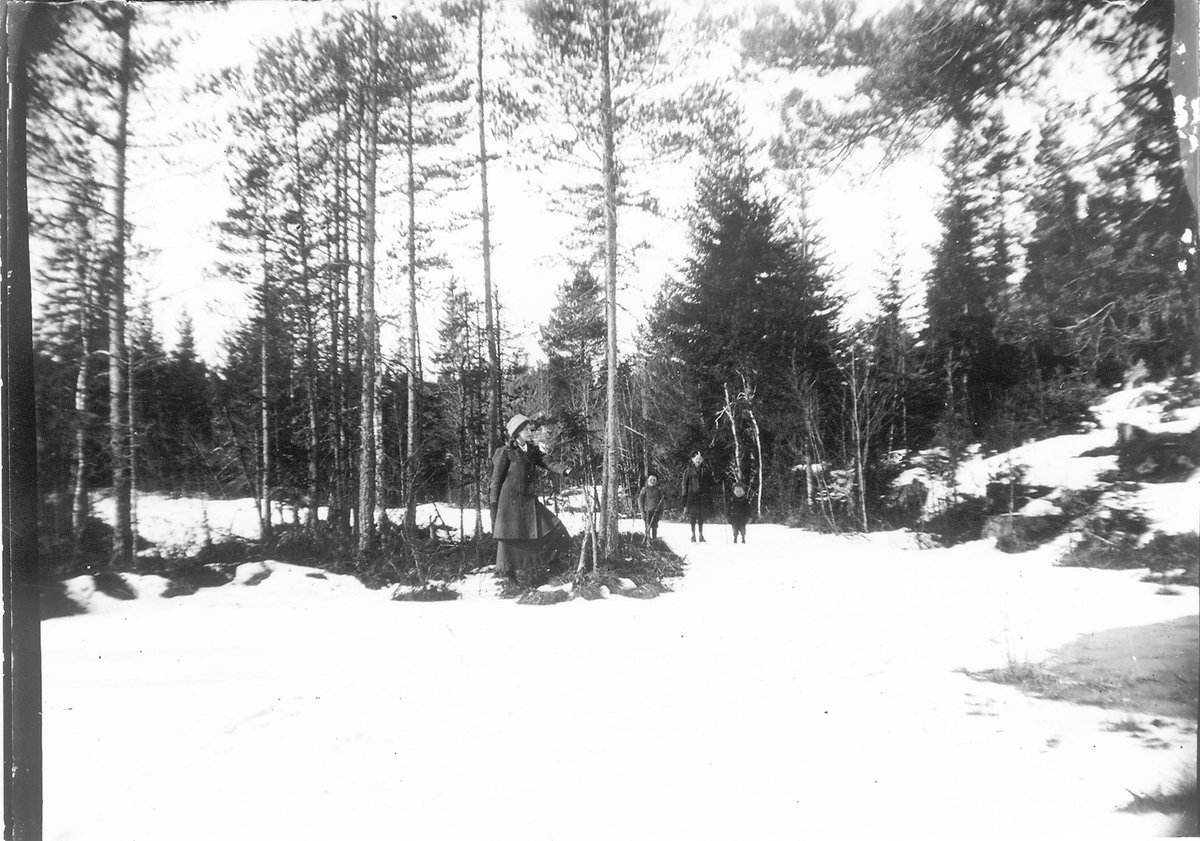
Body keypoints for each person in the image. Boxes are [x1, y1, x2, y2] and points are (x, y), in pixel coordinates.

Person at [489, 414, 572, 584]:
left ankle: (554, 570)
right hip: (509, 505)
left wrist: (565, 470)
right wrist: (493, 505)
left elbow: (548, 462)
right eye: (526, 429)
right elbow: (496, 481)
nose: (530, 432)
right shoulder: (505, 453)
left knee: (555, 529)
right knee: (510, 541)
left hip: (528, 502)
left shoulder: (532, 450)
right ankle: (511, 579)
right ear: (516, 433)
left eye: (530, 429)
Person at [680, 451, 712, 543]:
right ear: (692, 459)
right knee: (692, 516)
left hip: (702, 497)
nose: (698, 460)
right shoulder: (688, 471)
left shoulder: (706, 470)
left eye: (700, 458)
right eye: (696, 458)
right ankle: (693, 535)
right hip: (692, 497)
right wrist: (684, 497)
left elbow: (710, 483)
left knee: (701, 516)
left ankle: (701, 534)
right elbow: (684, 485)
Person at [637, 472, 665, 541]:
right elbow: (640, 501)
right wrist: (642, 511)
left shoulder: (658, 490)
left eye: (654, 480)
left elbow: (662, 502)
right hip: (647, 511)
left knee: (654, 527)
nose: (652, 481)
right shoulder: (644, 489)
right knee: (647, 527)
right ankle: (647, 540)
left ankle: (654, 540)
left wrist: (661, 512)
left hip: (656, 511)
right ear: (648, 480)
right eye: (651, 480)